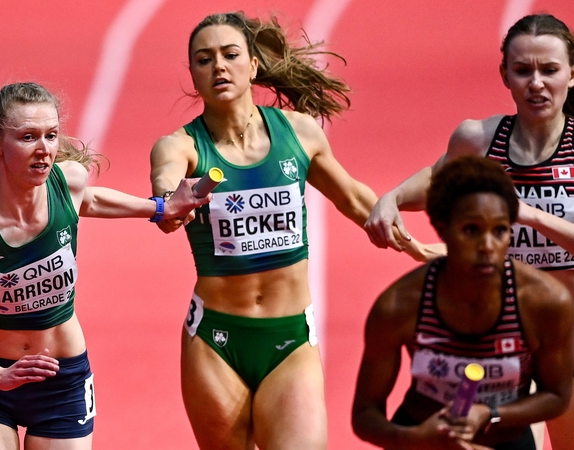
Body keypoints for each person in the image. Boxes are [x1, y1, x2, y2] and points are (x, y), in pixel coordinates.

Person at [148, 11, 436, 449]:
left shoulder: (298, 133)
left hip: (290, 338)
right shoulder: (180, 147)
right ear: (192, 73)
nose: (218, 67)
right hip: (215, 342)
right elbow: (166, 189)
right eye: (203, 60)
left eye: (230, 55)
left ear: (254, 65)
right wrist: (170, 202)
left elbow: (357, 201)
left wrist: (416, 248)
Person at [0, 81, 210, 450]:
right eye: (27, 137)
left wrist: (160, 208)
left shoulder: (67, 181)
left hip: (62, 380)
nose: (44, 150)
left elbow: (91, 200)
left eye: (51, 135)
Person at [364, 13, 574, 449]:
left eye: (549, 70)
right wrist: (393, 198)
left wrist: (534, 217)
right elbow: (441, 180)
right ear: (505, 75)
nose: (536, 83)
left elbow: (530, 217)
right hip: (501, 331)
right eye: (523, 70)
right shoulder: (481, 139)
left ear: (572, 74)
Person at [353, 155, 574, 450]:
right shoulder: (401, 305)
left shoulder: (542, 301)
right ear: (443, 229)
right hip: (421, 436)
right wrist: (414, 439)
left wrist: (488, 414)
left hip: (503, 437)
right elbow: (366, 413)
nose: (487, 246)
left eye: (499, 231)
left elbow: (557, 396)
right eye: (471, 230)